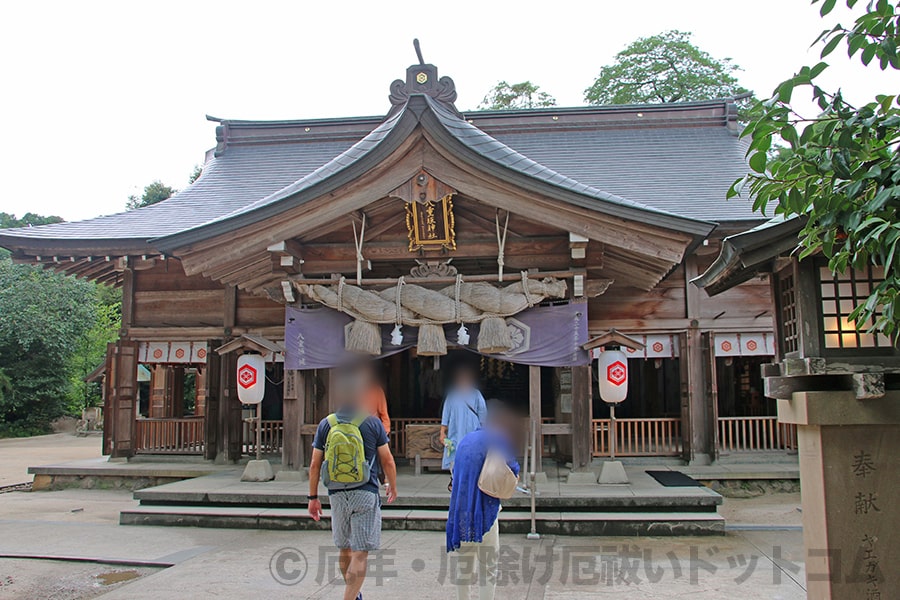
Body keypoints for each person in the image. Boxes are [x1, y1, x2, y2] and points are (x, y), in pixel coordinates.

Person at [308, 365, 398, 600]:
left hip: (336, 493)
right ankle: (350, 597)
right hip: (366, 492)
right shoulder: (371, 423)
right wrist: (391, 484)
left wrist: (313, 498)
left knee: (344, 547)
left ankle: (353, 592)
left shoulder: (326, 424)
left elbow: (315, 465)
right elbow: (387, 459)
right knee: (361, 552)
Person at [446, 402, 520, 600]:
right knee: (488, 567)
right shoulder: (498, 439)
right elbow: (512, 468)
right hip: (485, 511)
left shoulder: (465, 441)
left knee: (464, 567)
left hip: (461, 512)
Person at [440, 367, 487, 471]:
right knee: (455, 453)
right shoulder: (452, 395)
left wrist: (483, 432)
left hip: (473, 429)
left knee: (472, 452)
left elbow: (482, 413)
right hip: (456, 429)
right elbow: (446, 413)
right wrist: (442, 432)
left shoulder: (476, 394)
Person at [361, 364, 391, 434]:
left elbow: (383, 411)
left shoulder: (377, 390)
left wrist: (385, 428)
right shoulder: (355, 390)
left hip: (372, 427)